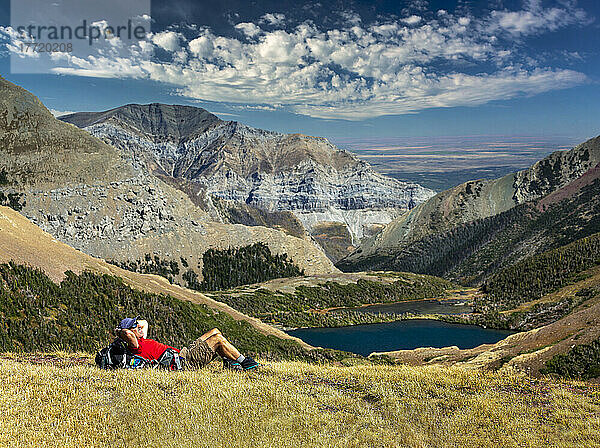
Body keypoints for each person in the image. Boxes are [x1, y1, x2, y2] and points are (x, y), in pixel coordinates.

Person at [115, 316, 259, 371]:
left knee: (215, 331)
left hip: (183, 354)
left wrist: (134, 326)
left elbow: (145, 323)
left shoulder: (141, 338)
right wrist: (122, 330)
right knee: (217, 340)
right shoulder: (135, 346)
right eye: (135, 326)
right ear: (129, 332)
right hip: (184, 363)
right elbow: (127, 334)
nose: (139, 327)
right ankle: (246, 363)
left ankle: (230, 361)